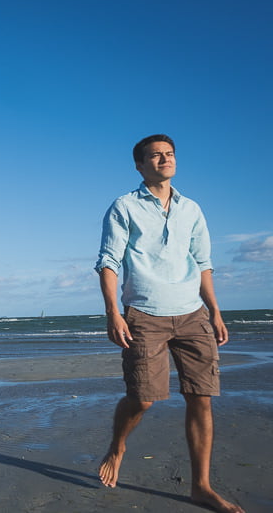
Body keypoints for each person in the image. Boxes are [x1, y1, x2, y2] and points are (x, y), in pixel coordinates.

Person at [94, 134, 243, 513]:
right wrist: (113, 312)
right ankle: (118, 445)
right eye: (155, 156)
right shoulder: (124, 207)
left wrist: (215, 310)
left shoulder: (191, 209)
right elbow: (109, 261)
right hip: (144, 314)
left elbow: (203, 263)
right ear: (140, 166)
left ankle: (202, 487)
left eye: (169, 154)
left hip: (192, 313)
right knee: (143, 398)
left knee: (201, 398)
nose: (164, 159)